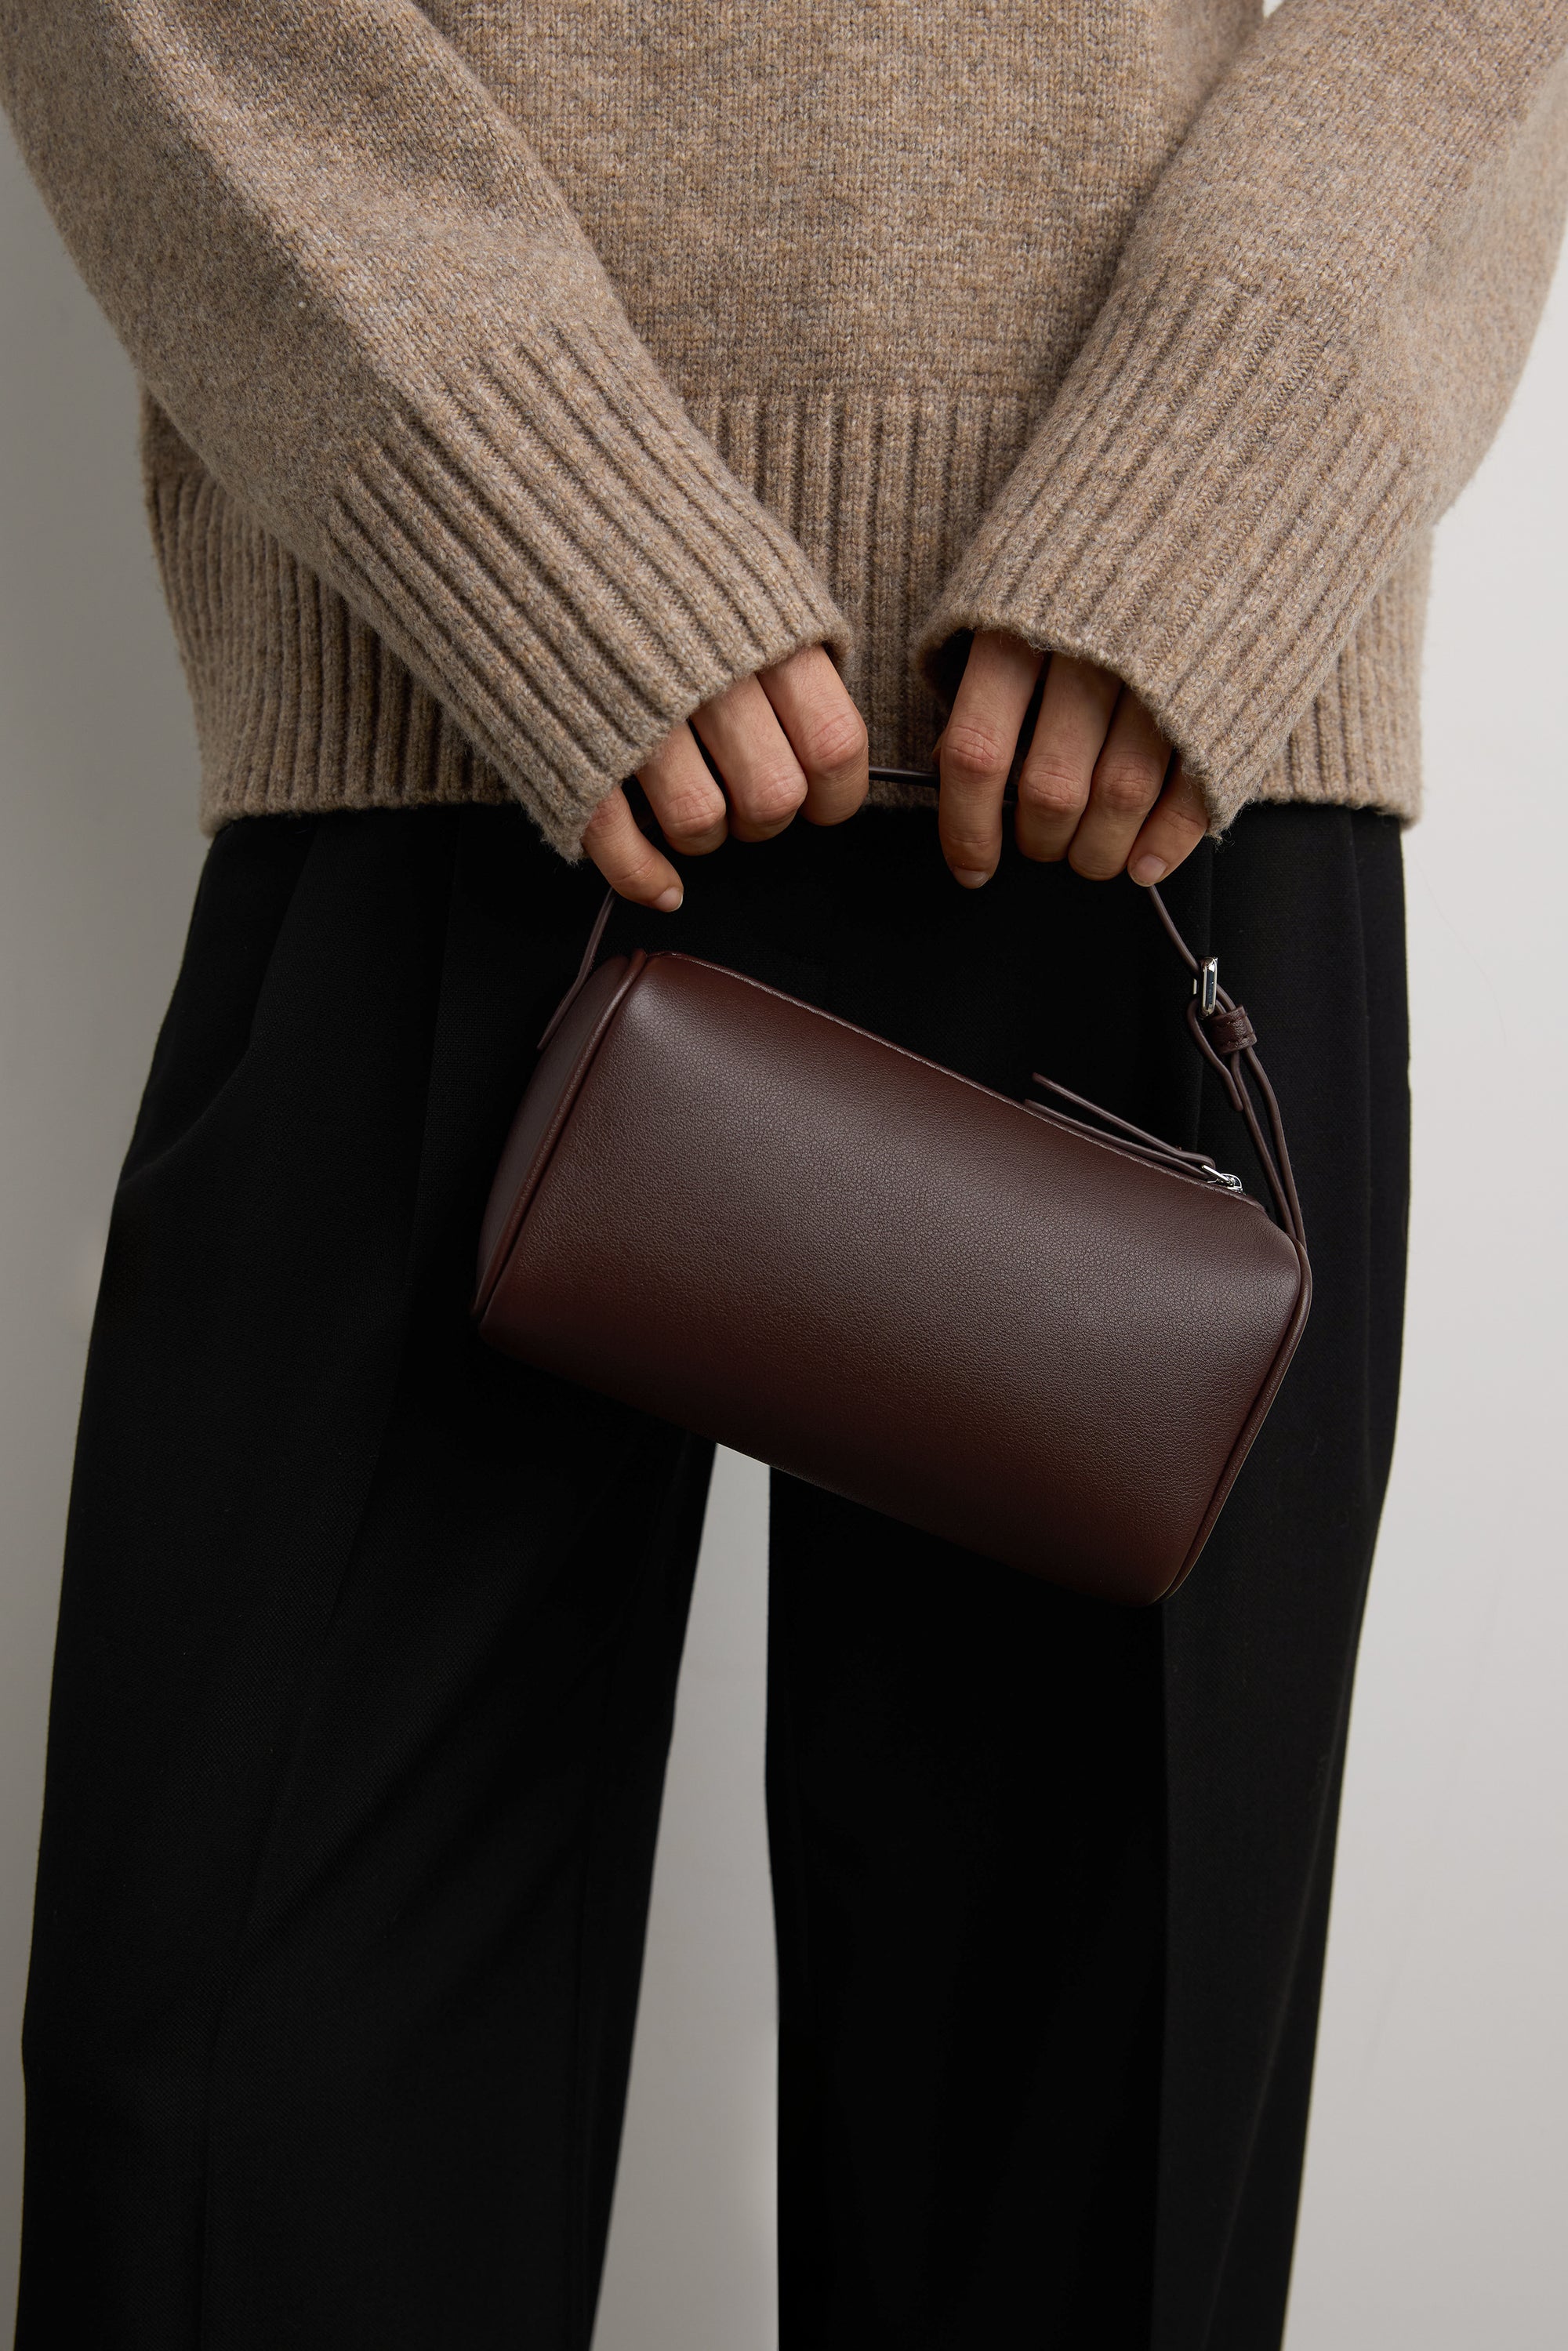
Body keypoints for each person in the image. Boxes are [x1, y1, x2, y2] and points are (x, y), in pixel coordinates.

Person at [2, 2, 1564, 2344]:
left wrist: (1233, 464)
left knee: (1080, 2208)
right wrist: (518, 482)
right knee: (246, 2150)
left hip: (1168, 756)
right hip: (444, 693)